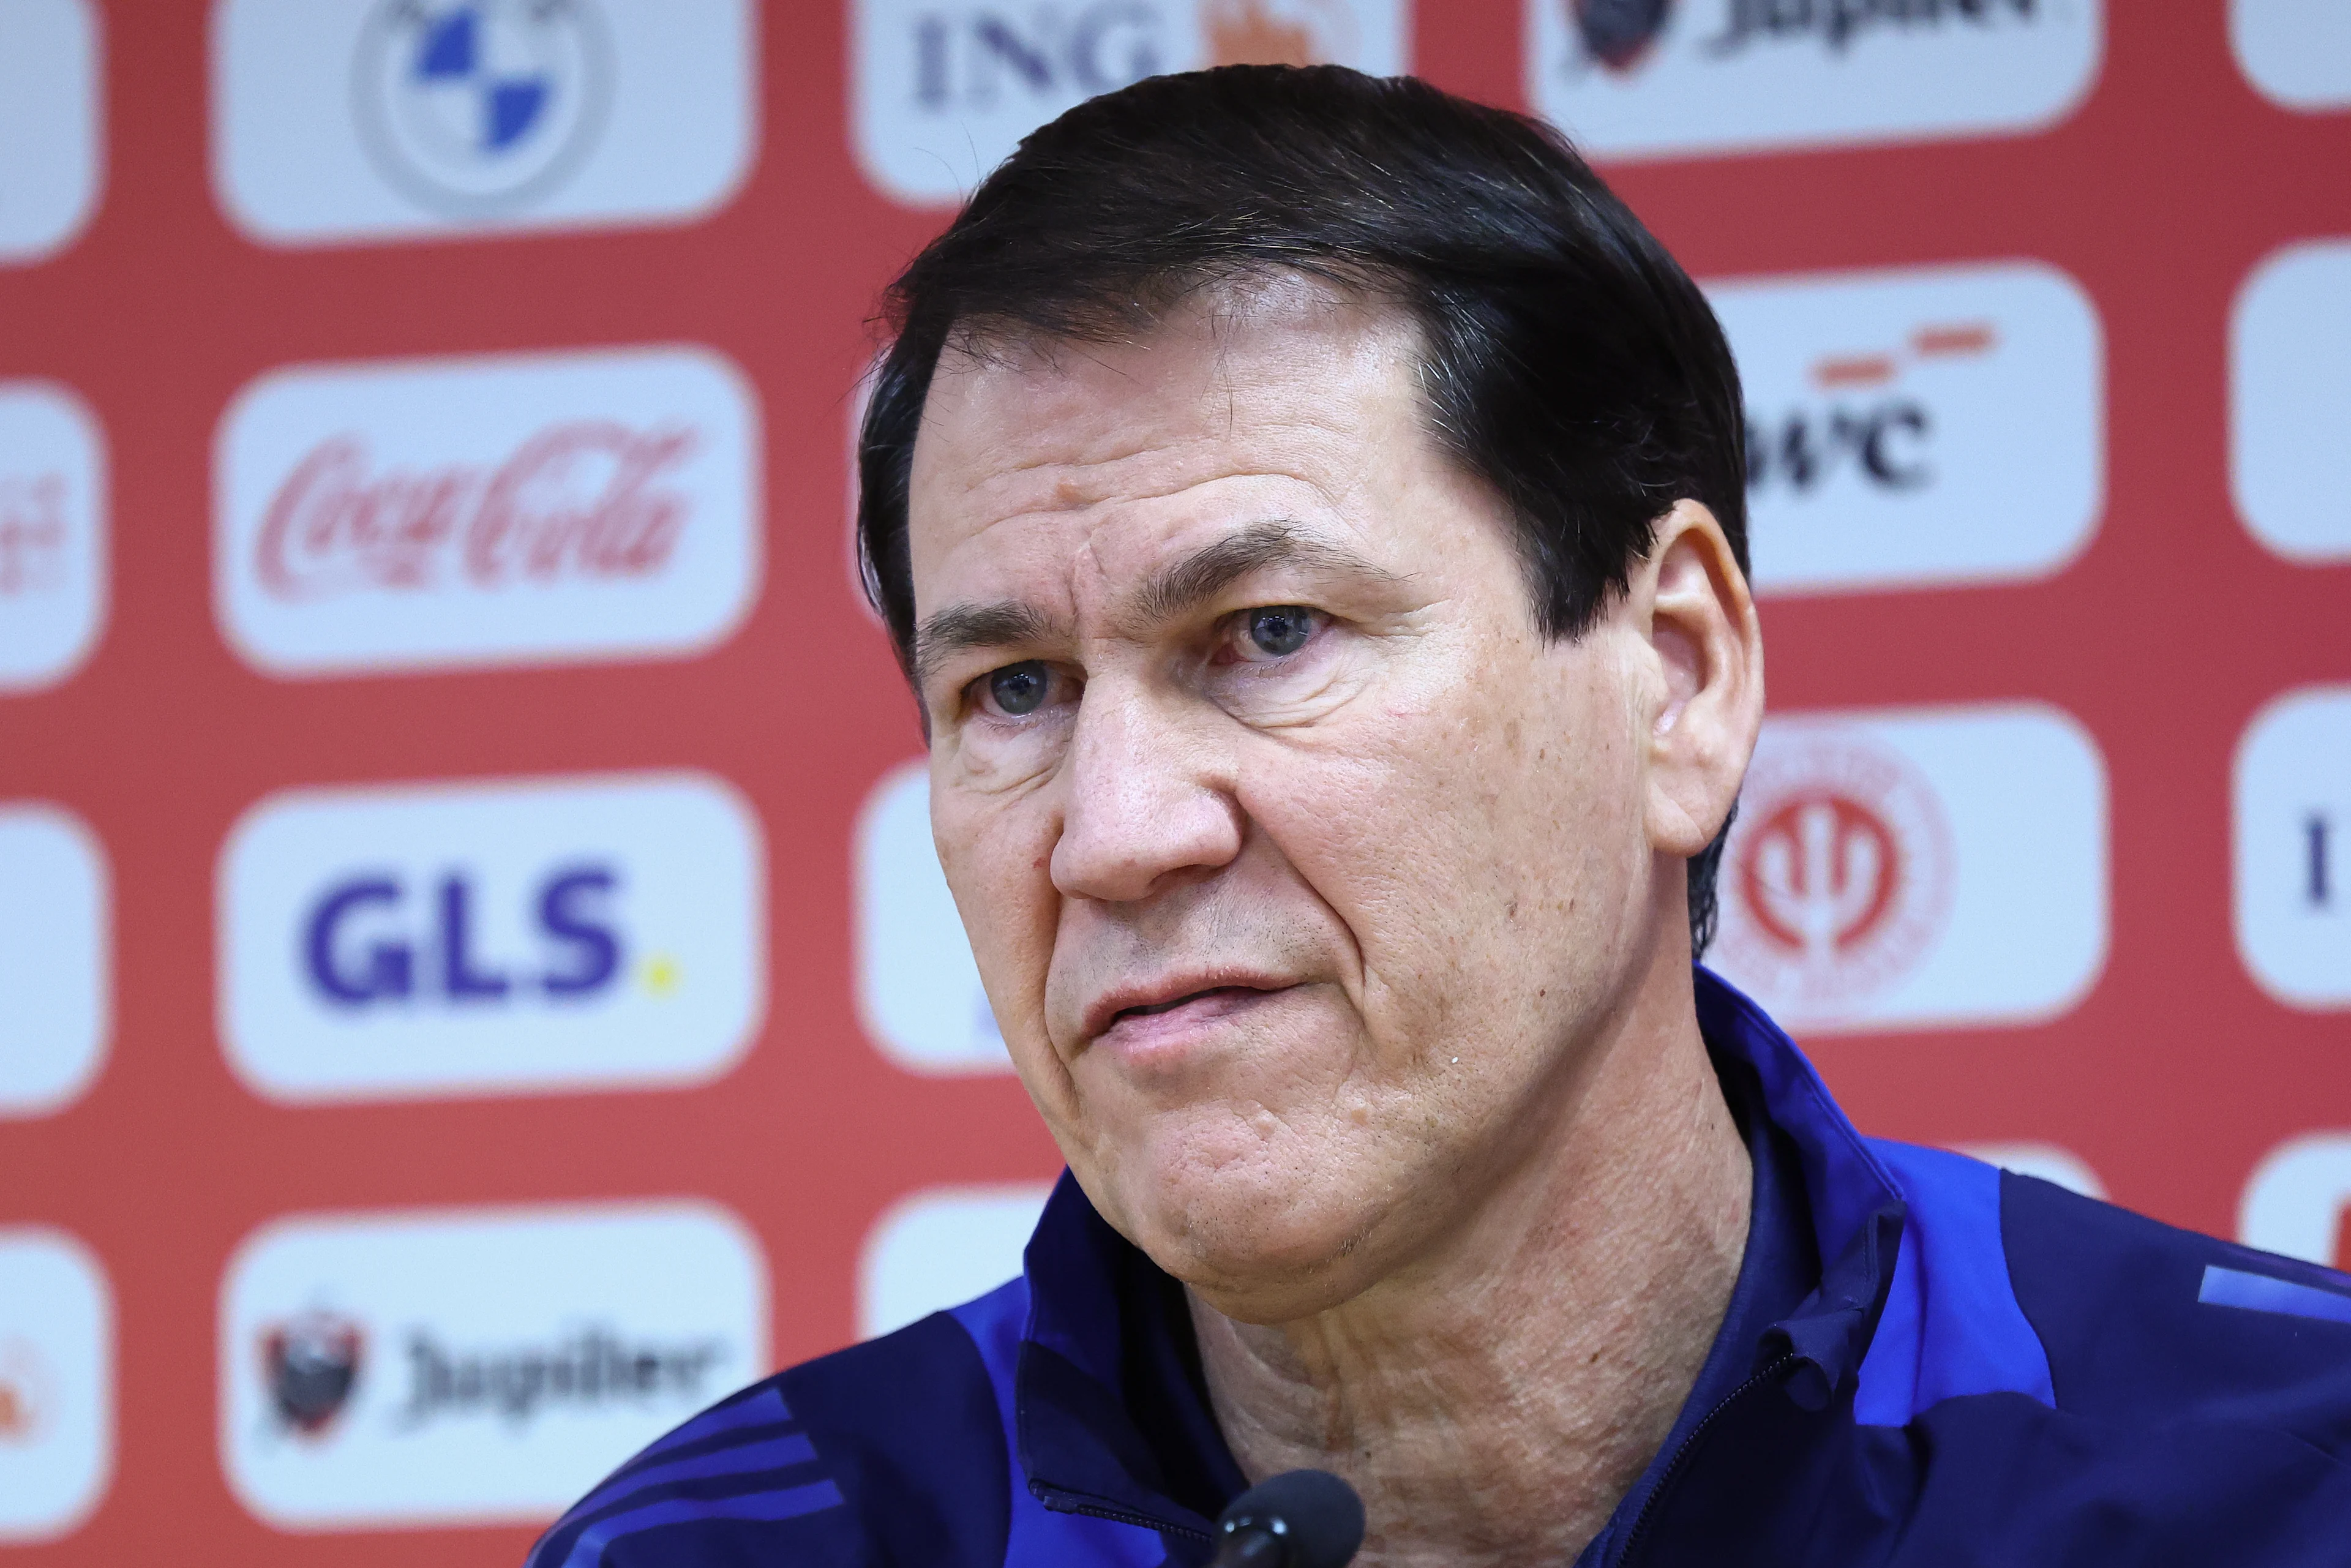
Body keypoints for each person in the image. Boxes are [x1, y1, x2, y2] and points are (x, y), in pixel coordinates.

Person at [528, 66, 2351, 1568]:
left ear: (1681, 675)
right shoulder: (735, 1547)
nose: (1113, 834)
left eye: (1266, 635)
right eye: (1015, 690)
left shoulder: (2278, 1481)